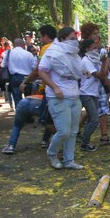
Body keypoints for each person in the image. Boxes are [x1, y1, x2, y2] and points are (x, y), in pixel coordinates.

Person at [37, 27, 85, 170]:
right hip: (58, 97)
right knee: (63, 131)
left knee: (72, 131)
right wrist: (54, 87)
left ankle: (69, 160)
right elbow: (41, 71)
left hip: (74, 95)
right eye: (71, 38)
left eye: (75, 39)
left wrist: (84, 71)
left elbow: (77, 69)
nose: (74, 41)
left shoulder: (74, 54)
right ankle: (52, 154)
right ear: (63, 38)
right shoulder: (53, 52)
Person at [1, 85, 44, 154]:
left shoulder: (26, 97)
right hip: (39, 103)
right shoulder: (44, 97)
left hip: (23, 103)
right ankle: (45, 140)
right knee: (49, 122)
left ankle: (11, 146)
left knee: (17, 126)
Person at [2, 38, 36, 107]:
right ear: (23, 45)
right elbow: (34, 67)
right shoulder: (29, 54)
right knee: (28, 98)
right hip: (27, 78)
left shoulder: (9, 53)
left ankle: (20, 114)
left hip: (14, 78)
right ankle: (28, 115)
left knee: (17, 99)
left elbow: (3, 65)